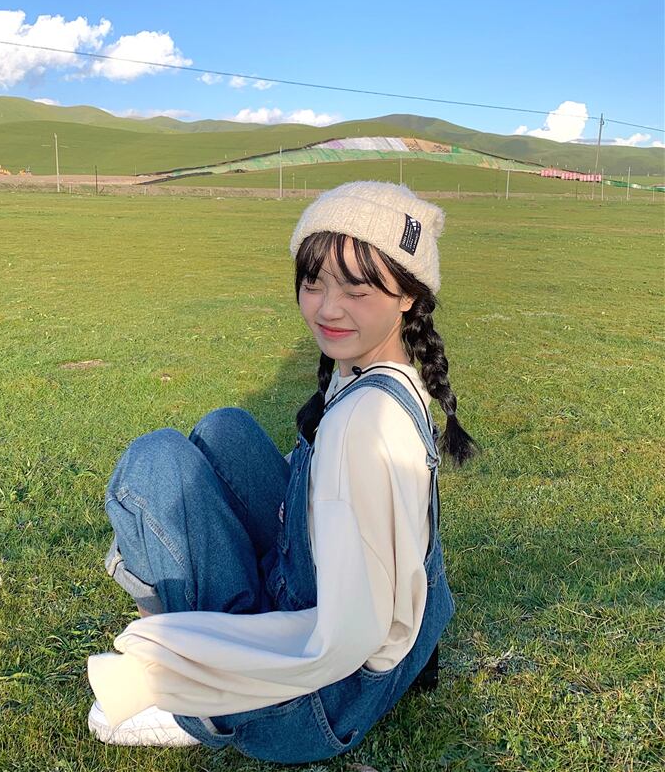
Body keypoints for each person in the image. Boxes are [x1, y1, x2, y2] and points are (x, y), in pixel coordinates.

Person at [86, 180, 477, 763]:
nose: (327, 307)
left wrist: (176, 672)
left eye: (357, 288)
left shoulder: (362, 427)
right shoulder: (392, 374)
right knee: (224, 429)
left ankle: (191, 692)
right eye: (314, 282)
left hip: (320, 703)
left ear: (406, 296)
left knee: (153, 464)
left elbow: (347, 637)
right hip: (383, 629)